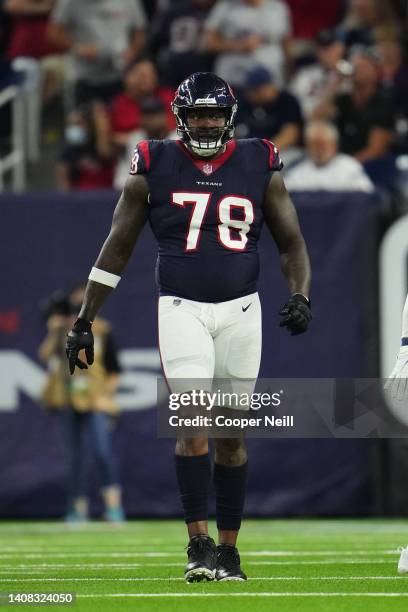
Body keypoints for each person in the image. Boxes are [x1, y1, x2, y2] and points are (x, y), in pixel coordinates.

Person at [65, 72, 311, 581]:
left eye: (213, 114)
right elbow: (118, 246)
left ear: (228, 118)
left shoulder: (259, 158)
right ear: (180, 117)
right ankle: (198, 544)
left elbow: (291, 242)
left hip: (243, 309)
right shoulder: (152, 162)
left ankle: (229, 550)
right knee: (194, 424)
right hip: (181, 308)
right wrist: (85, 318)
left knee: (231, 435)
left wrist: (300, 294)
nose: (204, 122)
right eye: (196, 113)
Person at [39, 285, 124, 523]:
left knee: (102, 452)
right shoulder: (62, 330)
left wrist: (105, 395)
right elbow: (45, 356)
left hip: (96, 400)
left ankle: (113, 508)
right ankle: (78, 508)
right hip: (68, 400)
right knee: (74, 456)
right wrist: (54, 331)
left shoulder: (103, 330)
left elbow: (114, 369)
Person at [48, 0, 147, 105]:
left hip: (120, 75)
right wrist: (78, 48)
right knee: (83, 119)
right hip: (84, 77)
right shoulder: (69, 2)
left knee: (120, 118)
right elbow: (54, 32)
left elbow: (139, 31)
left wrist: (132, 53)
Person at [313, 52, 394, 162]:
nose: (358, 70)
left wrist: (345, 166)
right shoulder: (344, 100)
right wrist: (337, 83)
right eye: (355, 67)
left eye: (364, 67)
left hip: (368, 166)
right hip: (339, 159)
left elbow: (375, 149)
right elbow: (316, 117)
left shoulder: (383, 103)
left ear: (375, 73)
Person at [204, 0, 292, 88]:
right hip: (234, 72)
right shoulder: (225, 5)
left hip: (270, 72)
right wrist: (238, 46)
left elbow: (286, 43)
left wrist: (290, 71)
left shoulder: (278, 7)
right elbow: (208, 43)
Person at [284, 120, 374, 192]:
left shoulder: (350, 166)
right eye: (313, 144)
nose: (318, 149)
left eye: (322, 144)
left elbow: (365, 195)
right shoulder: (298, 172)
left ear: (334, 144)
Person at [113, 96, 178, 191]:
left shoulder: (178, 139)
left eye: (154, 114)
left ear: (165, 116)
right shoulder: (135, 139)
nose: (149, 119)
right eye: (145, 115)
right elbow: (122, 181)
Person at [109, 59, 175, 148]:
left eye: (151, 74)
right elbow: (111, 137)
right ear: (128, 77)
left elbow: (176, 126)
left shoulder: (167, 96)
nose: (147, 78)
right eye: (142, 75)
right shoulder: (118, 104)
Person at [149, 0, 215, 88]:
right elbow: (155, 41)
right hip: (172, 70)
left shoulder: (219, 11)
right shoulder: (174, 11)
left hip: (204, 70)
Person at [237, 65, 302, 150]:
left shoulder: (286, 100)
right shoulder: (243, 102)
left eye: (255, 91)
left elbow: (290, 135)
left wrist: (265, 152)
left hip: (282, 152)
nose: (250, 95)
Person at [289, 29, 346, 120]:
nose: (324, 53)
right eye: (321, 48)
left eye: (329, 48)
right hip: (310, 122)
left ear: (341, 48)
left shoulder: (350, 71)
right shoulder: (305, 74)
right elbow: (294, 104)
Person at [56, 103, 115, 191]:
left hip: (105, 195)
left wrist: (100, 125)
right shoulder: (69, 149)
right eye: (71, 125)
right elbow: (62, 176)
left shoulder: (99, 143)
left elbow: (105, 153)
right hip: (81, 197)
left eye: (78, 123)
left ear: (88, 125)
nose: (74, 128)